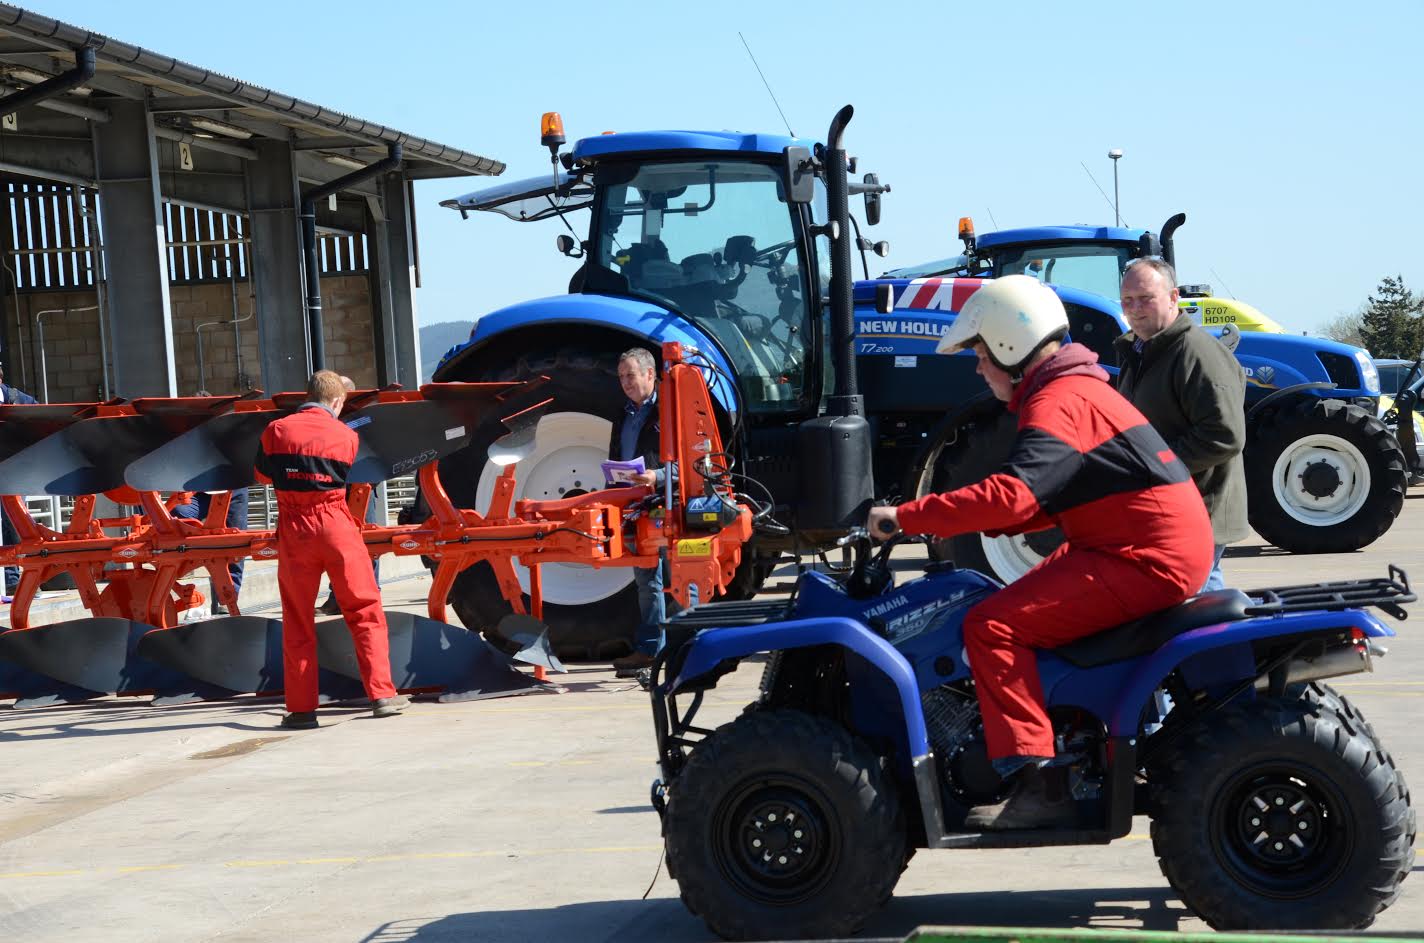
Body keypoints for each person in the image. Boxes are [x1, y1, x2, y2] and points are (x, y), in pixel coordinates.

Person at [866, 276, 1212, 830]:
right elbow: (1062, 491)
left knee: (992, 627)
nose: (977, 367)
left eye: (980, 354)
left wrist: (906, 517)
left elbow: (1014, 494)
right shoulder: (1077, 389)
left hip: (1143, 557)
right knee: (1005, 598)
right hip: (1129, 545)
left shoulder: (1058, 401)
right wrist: (1011, 517)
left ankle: (1042, 782)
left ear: (1010, 345)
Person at [256, 369, 407, 729]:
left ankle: (302, 710)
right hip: (335, 524)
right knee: (364, 610)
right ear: (337, 401)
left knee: (297, 619)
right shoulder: (345, 435)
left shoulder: (276, 430)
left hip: (294, 529)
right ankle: (382, 696)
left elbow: (262, 476)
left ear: (305, 395)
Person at [1115, 257, 1248, 592]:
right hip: (1169, 511)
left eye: (1146, 298)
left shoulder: (1196, 353)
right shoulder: (1142, 352)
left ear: (1173, 298)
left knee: (1198, 609)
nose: (1135, 309)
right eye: (1128, 301)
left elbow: (1225, 435)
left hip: (1200, 512)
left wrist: (1156, 467)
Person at [607, 348, 682, 678]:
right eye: (621, 376)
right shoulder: (622, 414)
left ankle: (681, 648)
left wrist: (657, 476)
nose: (625, 382)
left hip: (667, 506)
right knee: (646, 582)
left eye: (631, 375)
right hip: (635, 508)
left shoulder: (672, 410)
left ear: (651, 375)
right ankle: (651, 650)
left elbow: (690, 465)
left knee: (679, 580)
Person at [318, 375, 381, 616]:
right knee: (337, 545)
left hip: (362, 490)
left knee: (366, 543)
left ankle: (369, 591)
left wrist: (367, 483)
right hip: (337, 490)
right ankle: (338, 595)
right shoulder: (331, 421)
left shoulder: (366, 419)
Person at [171, 488, 249, 615]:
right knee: (179, 513)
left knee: (235, 544)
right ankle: (183, 568)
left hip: (233, 487)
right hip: (201, 487)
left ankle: (226, 596)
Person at [1, 363, 37, 603]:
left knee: (15, 522)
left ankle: (16, 580)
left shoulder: (17, 398)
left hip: (12, 470)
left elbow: (39, 417)